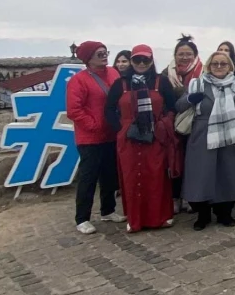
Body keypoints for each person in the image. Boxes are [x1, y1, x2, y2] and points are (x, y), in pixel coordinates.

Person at [104, 44, 180, 233]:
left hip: (155, 136)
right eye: (137, 59)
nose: (141, 63)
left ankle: (160, 216)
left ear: (151, 60)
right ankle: (135, 218)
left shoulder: (161, 82)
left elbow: (172, 107)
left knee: (156, 176)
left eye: (145, 59)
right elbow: (109, 109)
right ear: (131, 61)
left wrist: (163, 125)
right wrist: (121, 129)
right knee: (132, 177)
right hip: (129, 139)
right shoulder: (120, 84)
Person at [176, 50, 235, 230]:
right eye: (215, 63)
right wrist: (190, 98)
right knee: (201, 176)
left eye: (223, 63)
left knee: (226, 176)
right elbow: (179, 105)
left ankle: (224, 213)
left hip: (229, 137)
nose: (219, 66)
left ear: (229, 66)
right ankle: (203, 214)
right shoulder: (197, 84)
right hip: (202, 136)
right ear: (208, 66)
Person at [66, 41, 124, 234]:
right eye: (99, 54)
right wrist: (94, 125)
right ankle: (82, 218)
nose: (104, 56)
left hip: (111, 134)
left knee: (109, 175)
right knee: (88, 178)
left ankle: (108, 210)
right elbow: (74, 110)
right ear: (88, 58)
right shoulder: (79, 81)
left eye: (105, 52)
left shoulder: (114, 74)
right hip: (90, 138)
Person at [163, 35, 203, 213]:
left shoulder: (203, 73)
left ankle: (189, 196)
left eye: (188, 54)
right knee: (174, 161)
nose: (185, 57)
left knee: (192, 162)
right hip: (172, 125)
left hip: (196, 124)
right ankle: (175, 197)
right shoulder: (166, 75)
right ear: (175, 55)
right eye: (181, 54)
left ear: (195, 55)